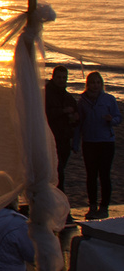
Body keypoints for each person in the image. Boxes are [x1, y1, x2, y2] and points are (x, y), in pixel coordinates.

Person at [79, 71, 121, 219]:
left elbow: (118, 117)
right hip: (89, 142)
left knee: (104, 175)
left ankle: (104, 207)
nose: (95, 85)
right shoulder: (82, 100)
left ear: (101, 84)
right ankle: (92, 206)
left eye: (98, 82)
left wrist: (112, 120)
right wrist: (76, 142)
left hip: (106, 142)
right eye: (92, 82)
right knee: (91, 175)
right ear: (88, 84)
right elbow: (80, 123)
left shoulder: (109, 99)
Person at [46, 65, 82, 194]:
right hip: (50, 138)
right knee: (58, 173)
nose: (61, 80)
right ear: (53, 77)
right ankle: (61, 206)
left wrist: (75, 117)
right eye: (59, 77)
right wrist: (62, 111)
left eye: (64, 78)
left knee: (59, 170)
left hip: (65, 139)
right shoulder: (46, 94)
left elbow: (75, 120)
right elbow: (45, 114)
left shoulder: (68, 97)